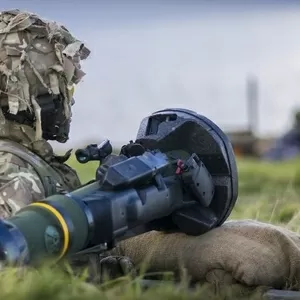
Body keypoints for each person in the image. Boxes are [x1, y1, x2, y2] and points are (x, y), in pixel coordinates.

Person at [1, 9, 300, 299]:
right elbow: (23, 269)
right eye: (64, 87)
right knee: (251, 252)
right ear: (34, 95)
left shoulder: (22, 160)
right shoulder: (14, 172)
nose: (69, 100)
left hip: (105, 253)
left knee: (254, 246)